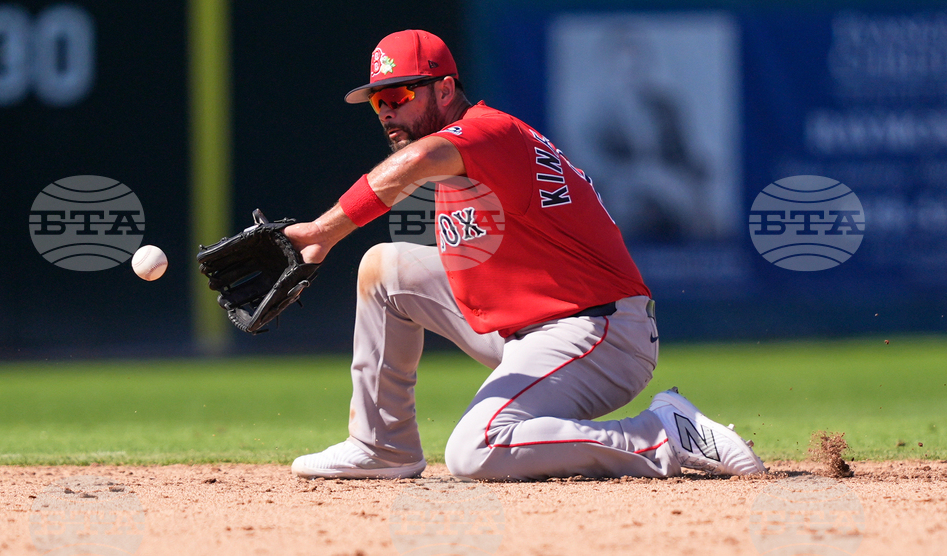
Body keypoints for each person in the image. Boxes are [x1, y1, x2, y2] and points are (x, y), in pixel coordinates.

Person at [282, 30, 765, 481]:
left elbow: (417, 161)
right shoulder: (470, 151)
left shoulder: (488, 133)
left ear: (445, 90)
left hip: (600, 331)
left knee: (474, 451)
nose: (387, 112)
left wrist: (322, 233)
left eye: (400, 95)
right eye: (378, 102)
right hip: (535, 323)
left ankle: (661, 435)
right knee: (385, 269)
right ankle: (382, 446)